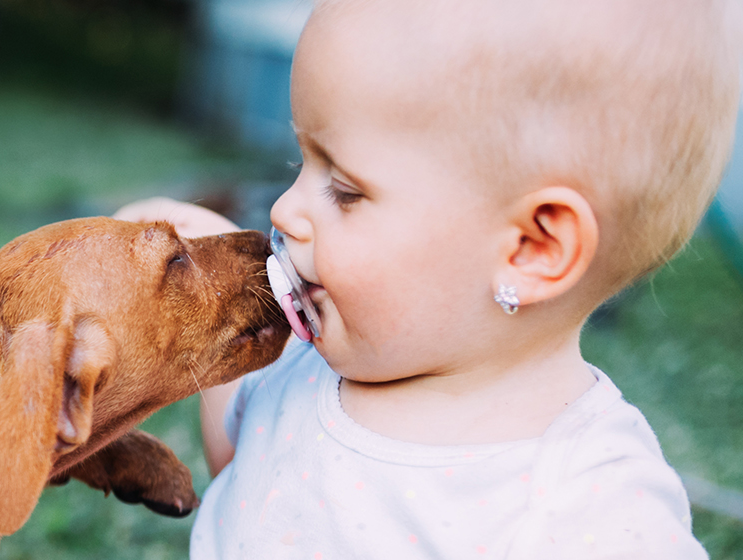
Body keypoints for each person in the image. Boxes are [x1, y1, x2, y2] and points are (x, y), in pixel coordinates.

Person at [113, 0, 742, 557]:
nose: (284, 210)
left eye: (345, 191)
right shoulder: (306, 370)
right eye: (300, 163)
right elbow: (244, 469)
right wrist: (189, 255)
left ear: (532, 247)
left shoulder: (589, 511)